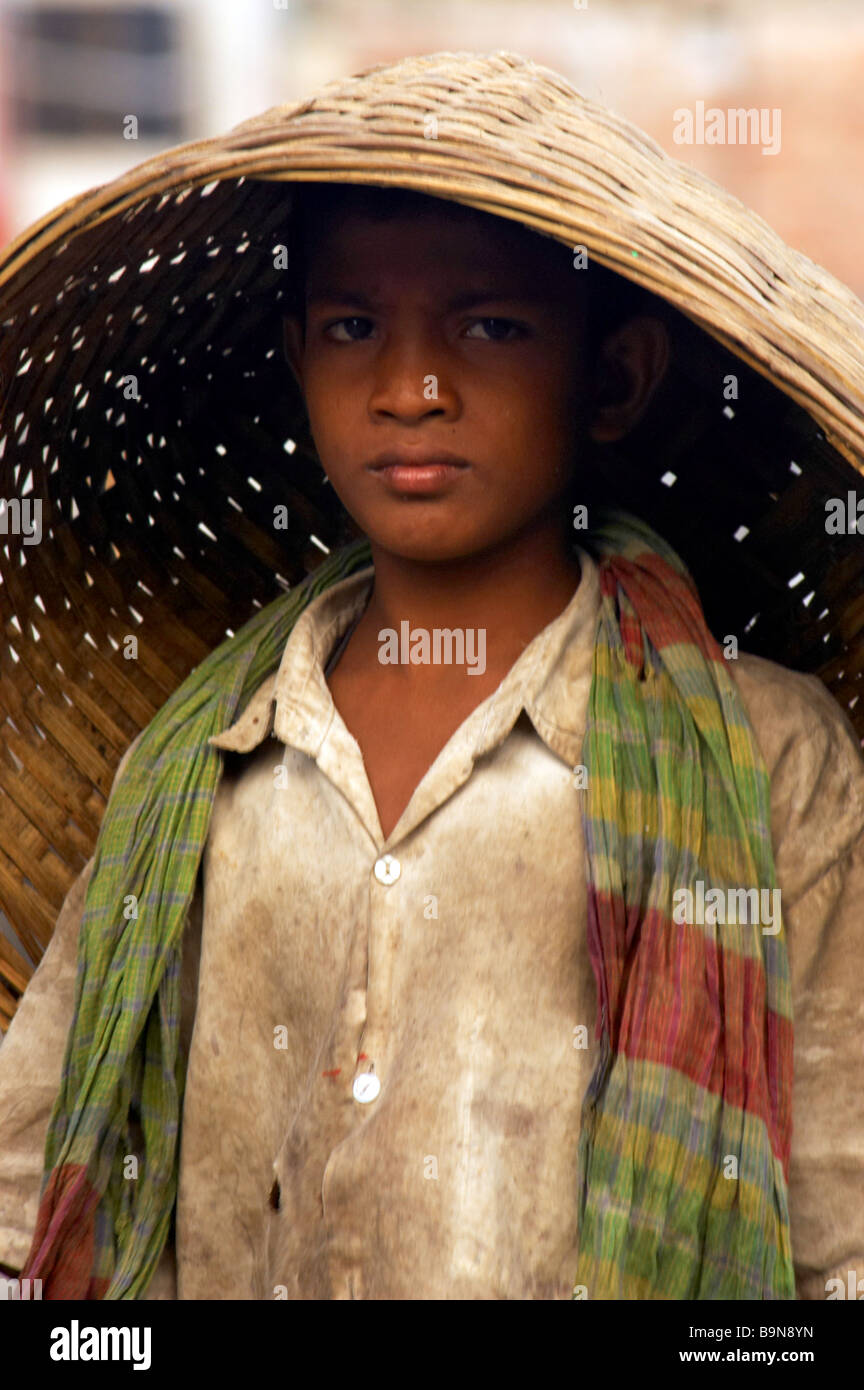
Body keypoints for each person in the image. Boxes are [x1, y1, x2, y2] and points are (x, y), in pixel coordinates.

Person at [1, 162, 863, 1304]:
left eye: (491, 327)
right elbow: (30, 1192)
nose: (410, 387)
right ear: (300, 360)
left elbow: (837, 1236)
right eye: (354, 327)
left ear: (612, 376)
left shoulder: (764, 757)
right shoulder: (198, 762)